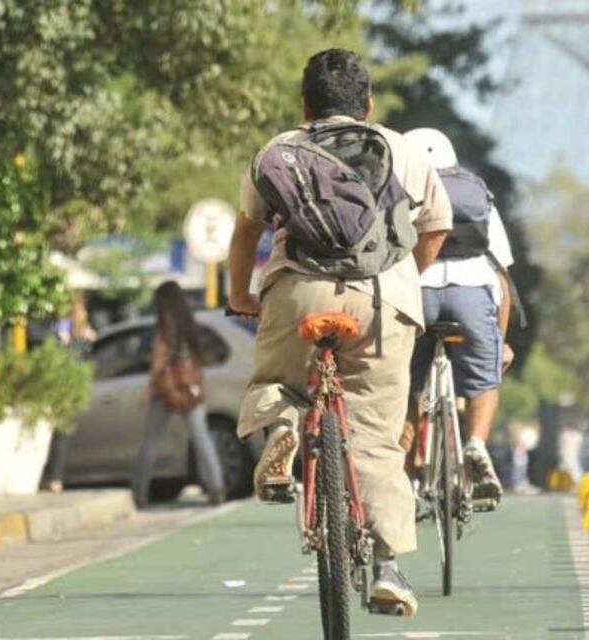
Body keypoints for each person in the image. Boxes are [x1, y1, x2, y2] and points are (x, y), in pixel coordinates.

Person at [227, 49, 452, 615]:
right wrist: (403, 280)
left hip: (298, 290)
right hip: (384, 298)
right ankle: (387, 569)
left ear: (304, 105)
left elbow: (244, 233)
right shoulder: (403, 149)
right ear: (369, 105)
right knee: (376, 436)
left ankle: (282, 426)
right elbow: (437, 227)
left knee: (276, 381)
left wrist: (240, 296)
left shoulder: (276, 150)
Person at [401, 127, 520, 507]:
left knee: (404, 388)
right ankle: (476, 445)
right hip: (472, 292)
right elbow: (501, 277)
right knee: (485, 380)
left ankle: (402, 477)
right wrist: (499, 342)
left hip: (415, 293)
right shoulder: (476, 193)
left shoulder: (396, 194)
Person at [131, 281, 226, 508]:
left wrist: (149, 387)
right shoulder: (188, 321)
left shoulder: (165, 322)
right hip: (189, 388)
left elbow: (159, 357)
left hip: (165, 390)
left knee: (150, 443)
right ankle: (216, 488)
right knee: (202, 440)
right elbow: (198, 355)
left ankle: (139, 493)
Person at [41, 294, 97, 493]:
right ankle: (54, 477)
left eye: (78, 311)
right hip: (62, 389)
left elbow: (88, 358)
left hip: (77, 389)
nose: (75, 316)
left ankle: (56, 476)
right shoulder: (59, 334)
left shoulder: (88, 336)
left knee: (63, 433)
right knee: (59, 433)